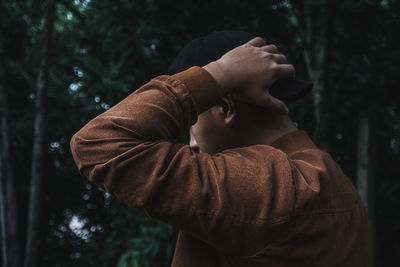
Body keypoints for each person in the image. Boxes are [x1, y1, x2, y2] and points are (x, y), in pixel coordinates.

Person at [70, 30, 371, 266]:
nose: (192, 142)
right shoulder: (332, 181)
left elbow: (97, 144)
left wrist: (222, 74)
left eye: (193, 124)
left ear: (226, 109)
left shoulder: (274, 187)